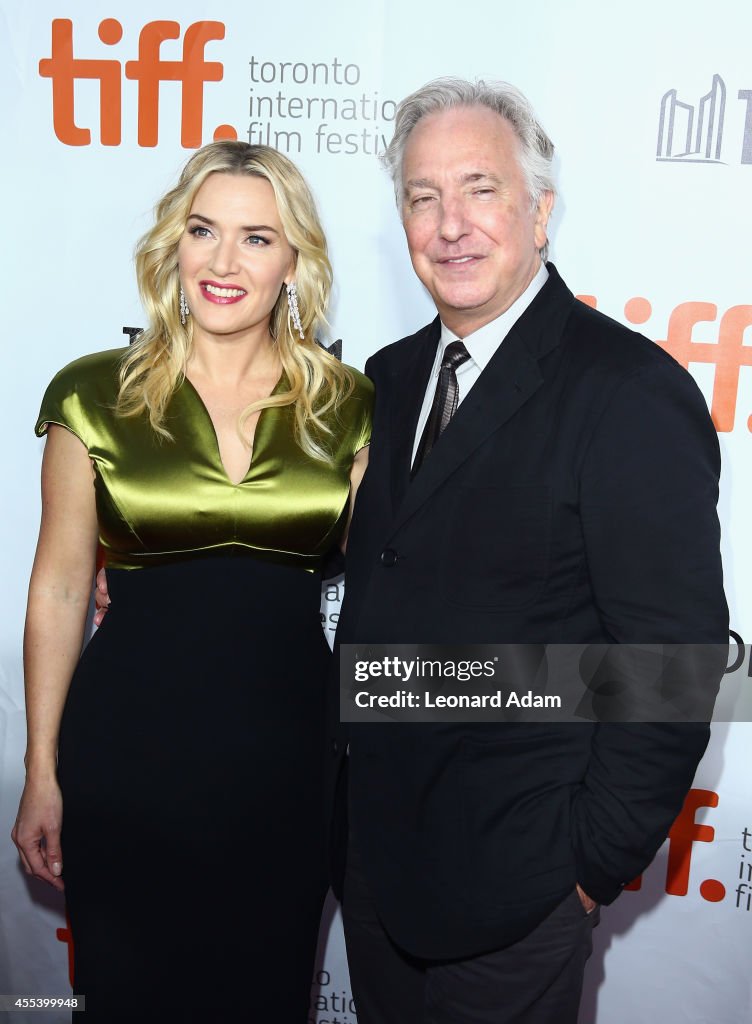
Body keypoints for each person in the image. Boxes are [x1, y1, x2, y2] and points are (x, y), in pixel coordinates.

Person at [329, 78, 728, 1023]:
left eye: (480, 188)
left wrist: (585, 869)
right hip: (378, 876)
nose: (451, 223)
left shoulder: (627, 390)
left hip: (520, 891)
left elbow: (671, 665)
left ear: (539, 211)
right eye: (423, 197)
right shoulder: (384, 382)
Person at [12, 140, 372, 1021]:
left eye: (257, 238)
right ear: (173, 243)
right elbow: (60, 589)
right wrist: (41, 769)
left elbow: (389, 584)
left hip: (289, 768)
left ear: (295, 263)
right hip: (127, 764)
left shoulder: (350, 405)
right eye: (203, 230)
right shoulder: (94, 397)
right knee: (129, 997)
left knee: (267, 995)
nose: (222, 260)